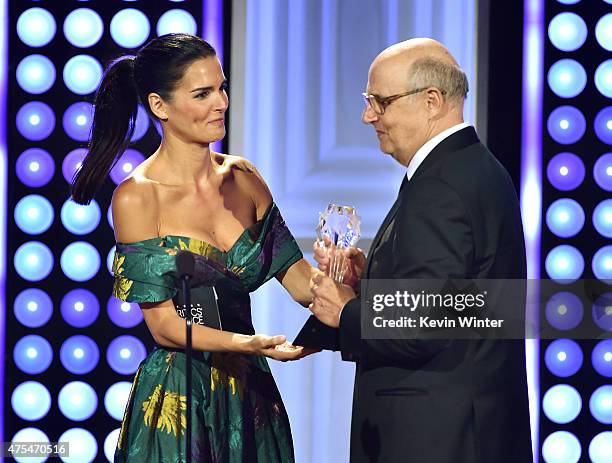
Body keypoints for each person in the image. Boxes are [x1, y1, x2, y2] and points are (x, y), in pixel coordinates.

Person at [72, 33, 317, 463]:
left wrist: (342, 277)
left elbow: (300, 282)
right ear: (159, 106)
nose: (220, 102)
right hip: (181, 399)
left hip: (249, 393)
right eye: (202, 94)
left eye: (221, 88)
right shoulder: (137, 198)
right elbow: (163, 325)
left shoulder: (244, 177)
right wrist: (245, 344)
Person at [310, 38, 533, 462]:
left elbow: (423, 323)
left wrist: (346, 312)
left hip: (437, 438)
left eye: (381, 101)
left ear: (431, 100)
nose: (367, 115)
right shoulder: (470, 168)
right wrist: (368, 282)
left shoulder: (441, 185)